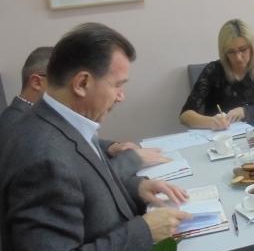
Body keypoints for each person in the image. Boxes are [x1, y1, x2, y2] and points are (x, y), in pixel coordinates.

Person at [0, 23, 192, 251]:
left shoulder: (62, 124)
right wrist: (144, 231)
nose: (121, 96)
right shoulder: (43, 154)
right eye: (117, 85)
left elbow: (82, 188)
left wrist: (134, 189)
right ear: (82, 83)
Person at [0, 47, 168, 170]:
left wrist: (109, 148)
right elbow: (76, 180)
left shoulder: (38, 114)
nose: (76, 90)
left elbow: (72, 142)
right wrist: (131, 161)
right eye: (61, 80)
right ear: (37, 82)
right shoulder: (18, 128)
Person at [180, 19, 254, 130]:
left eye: (243, 49)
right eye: (231, 52)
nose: (238, 58)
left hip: (250, 135)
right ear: (224, 53)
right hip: (218, 135)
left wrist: (244, 111)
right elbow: (185, 116)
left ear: (252, 48)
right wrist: (210, 122)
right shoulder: (213, 71)